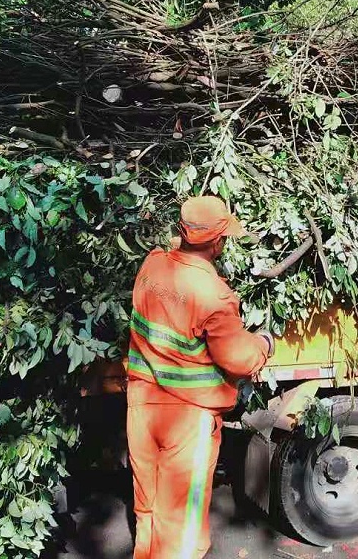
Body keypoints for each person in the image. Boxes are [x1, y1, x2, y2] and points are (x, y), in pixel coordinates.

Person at [126, 196, 274, 559]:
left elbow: (173, 254)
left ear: (181, 232)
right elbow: (238, 358)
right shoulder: (213, 296)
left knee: (148, 510)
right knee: (181, 530)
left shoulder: (152, 266)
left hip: (142, 407)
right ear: (218, 242)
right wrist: (264, 344)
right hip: (187, 421)